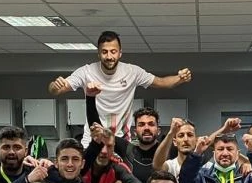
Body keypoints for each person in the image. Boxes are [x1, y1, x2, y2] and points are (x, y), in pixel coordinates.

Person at [48, 30, 192, 146]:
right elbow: (56, 90)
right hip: (91, 140)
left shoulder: (132, 72)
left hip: (121, 141)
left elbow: (161, 82)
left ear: (120, 53)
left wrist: (180, 78)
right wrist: (55, 86)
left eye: (113, 51)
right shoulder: (86, 72)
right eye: (104, 52)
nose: (109, 56)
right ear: (99, 53)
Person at [81, 123, 145, 183]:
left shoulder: (117, 166)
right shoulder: (80, 163)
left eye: (109, 146)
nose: (104, 151)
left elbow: (135, 182)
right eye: (100, 145)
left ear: (114, 147)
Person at [114, 106, 162, 183]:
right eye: (141, 124)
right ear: (135, 132)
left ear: (158, 131)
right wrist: (91, 100)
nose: (146, 128)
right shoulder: (127, 149)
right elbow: (99, 130)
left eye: (151, 124)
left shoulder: (168, 150)